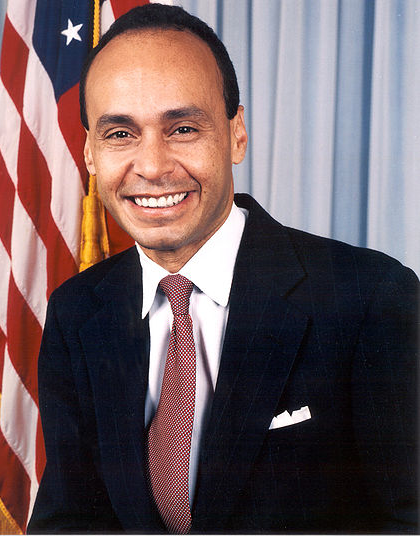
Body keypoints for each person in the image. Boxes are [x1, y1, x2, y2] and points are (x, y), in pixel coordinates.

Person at [28, 4, 418, 534]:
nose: (153, 167)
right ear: (91, 153)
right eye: (120, 134)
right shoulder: (76, 312)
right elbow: (69, 520)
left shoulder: (371, 298)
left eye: (183, 128)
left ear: (237, 134)